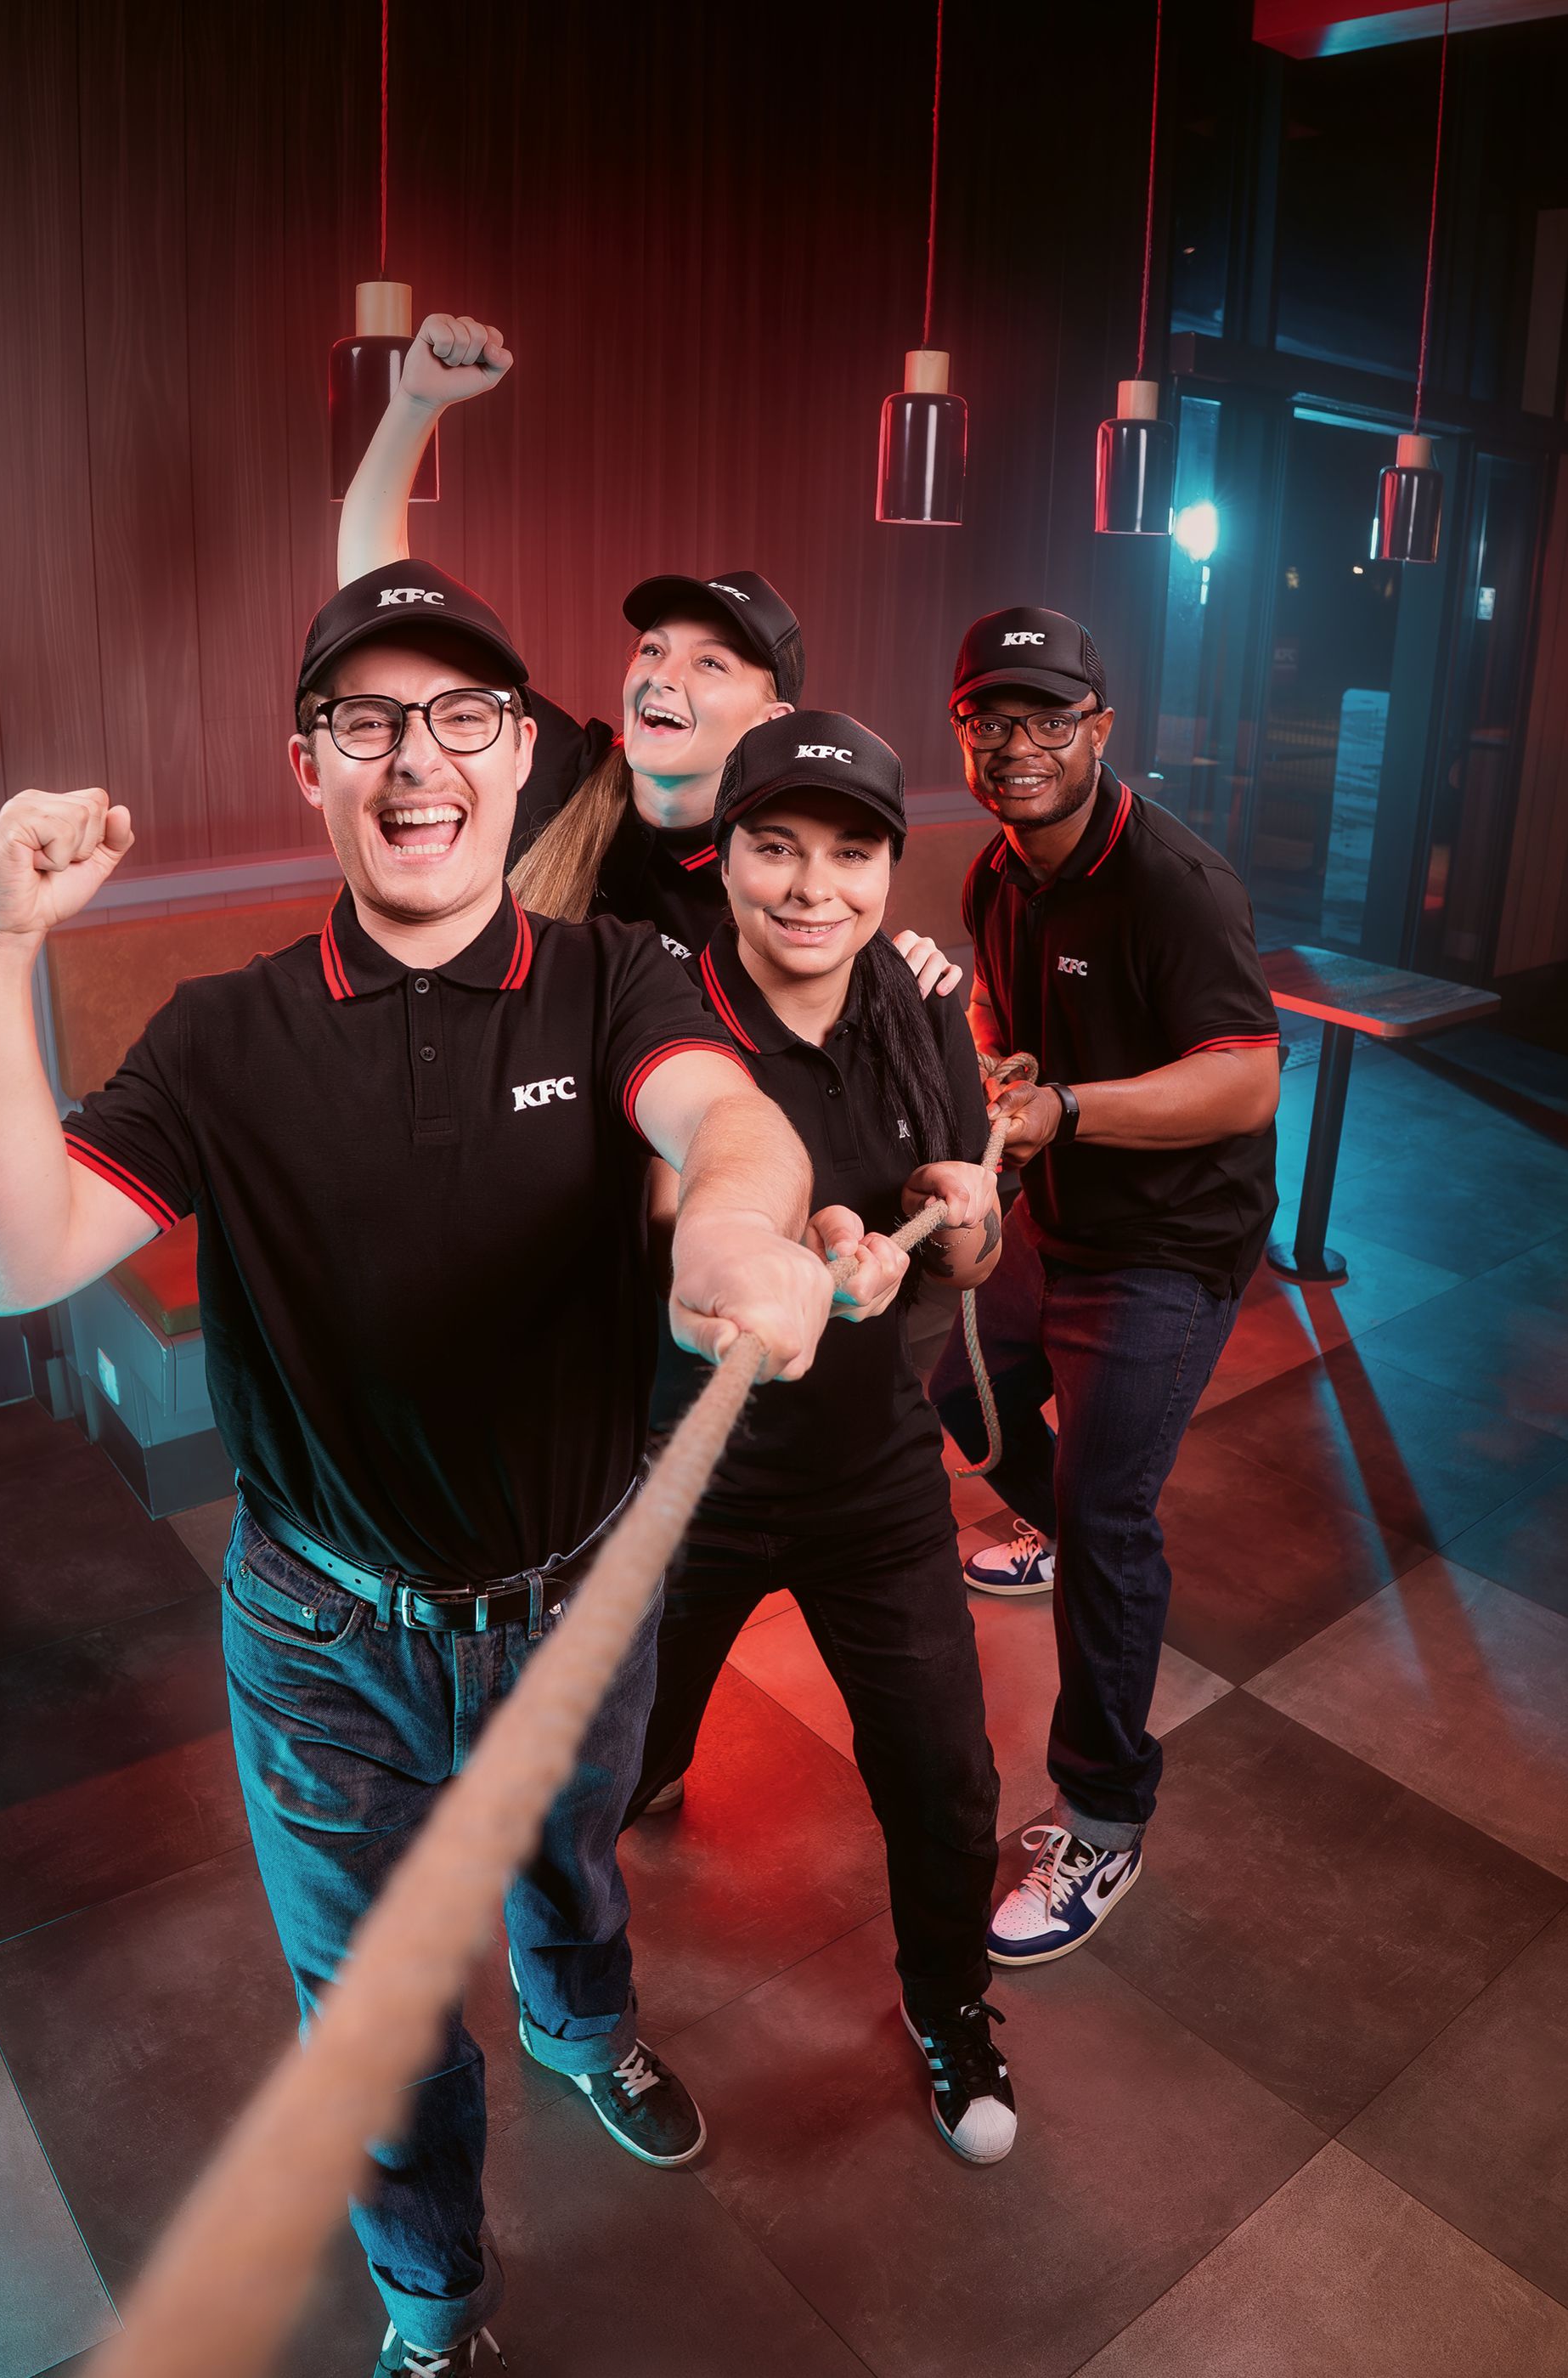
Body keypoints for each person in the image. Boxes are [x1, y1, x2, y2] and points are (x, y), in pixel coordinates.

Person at [0, 561, 834, 2378]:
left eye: (457, 719)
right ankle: (435, 2297)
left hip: (573, 1597)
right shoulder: (222, 1035)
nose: (413, 760)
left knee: (572, 1865)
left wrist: (741, 1225)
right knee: (374, 2014)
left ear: (521, 759)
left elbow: (723, 1116)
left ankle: (582, 2027)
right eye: (366, 724)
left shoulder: (612, 977)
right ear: (308, 768)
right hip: (323, 1633)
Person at [627, 709, 1020, 2165]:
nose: (812, 886)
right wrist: (765, 1247)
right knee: (616, 1765)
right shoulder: (654, 1019)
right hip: (689, 1483)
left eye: (850, 852)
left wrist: (969, 1222)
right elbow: (670, 1210)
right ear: (719, 859)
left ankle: (950, 2007)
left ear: (887, 866)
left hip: (873, 1478)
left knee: (943, 1770)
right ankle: (584, 2009)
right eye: (773, 847)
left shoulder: (918, 1003)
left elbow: (971, 1246)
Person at [929, 606, 1280, 1968]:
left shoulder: (1172, 882)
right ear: (963, 731)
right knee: (956, 1371)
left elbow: (1244, 1074)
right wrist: (993, 1065)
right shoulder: (995, 873)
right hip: (1059, 1217)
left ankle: (1106, 1816)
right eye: (989, 719)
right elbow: (994, 1017)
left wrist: (1063, 1109)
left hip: (1169, 1246)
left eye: (1045, 717)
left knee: (1112, 1516)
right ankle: (1061, 1520)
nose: (1017, 745)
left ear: (1100, 727)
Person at [335, 312, 964, 997]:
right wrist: (415, 405)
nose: (660, 676)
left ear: (770, 721)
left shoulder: (768, 883)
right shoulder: (557, 772)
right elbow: (381, 603)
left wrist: (904, 988)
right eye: (652, 649)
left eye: (710, 663)